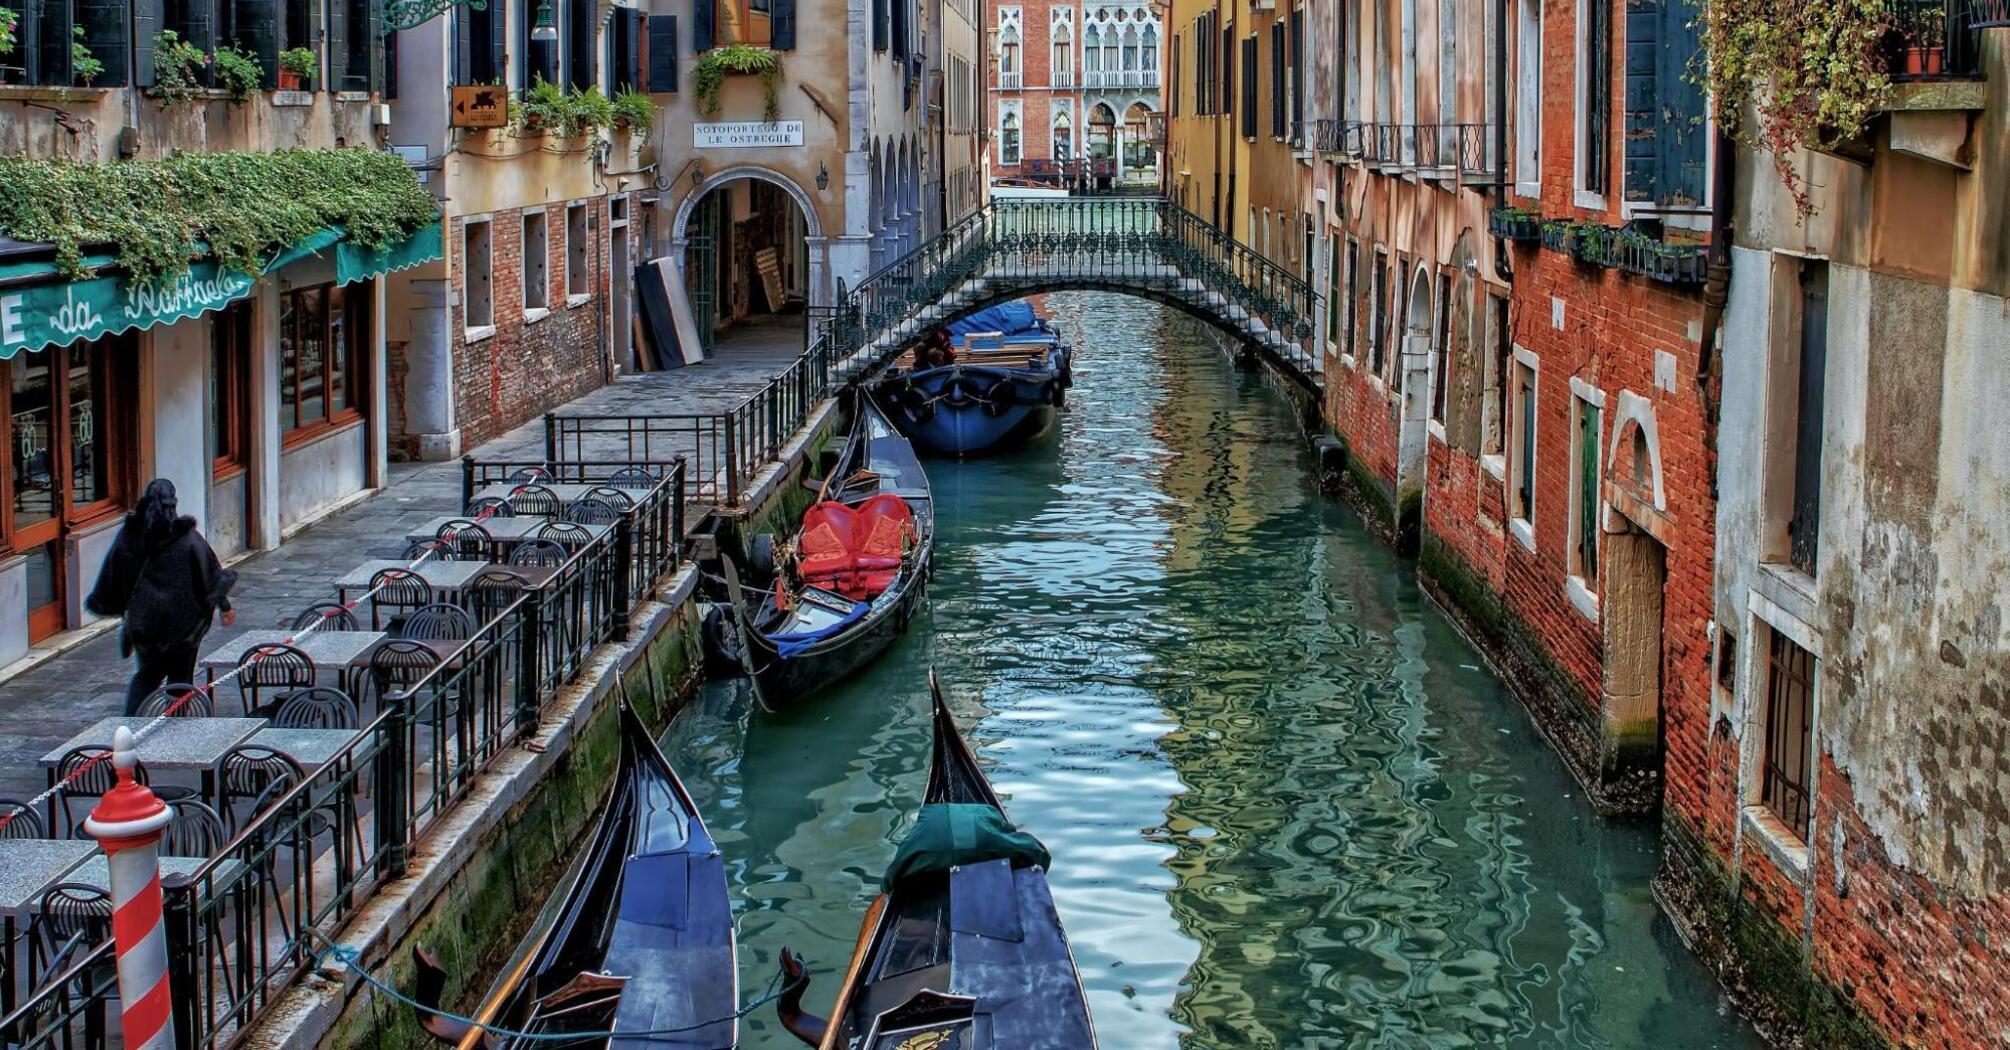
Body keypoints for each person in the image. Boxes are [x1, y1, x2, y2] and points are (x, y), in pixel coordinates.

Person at [87, 479, 237, 715]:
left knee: (146, 676)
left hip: (145, 626)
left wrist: (119, 608)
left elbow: (113, 575)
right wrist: (224, 606)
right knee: (180, 678)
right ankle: (175, 731)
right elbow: (211, 576)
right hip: (184, 628)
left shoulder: (129, 538)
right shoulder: (188, 539)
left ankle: (131, 726)